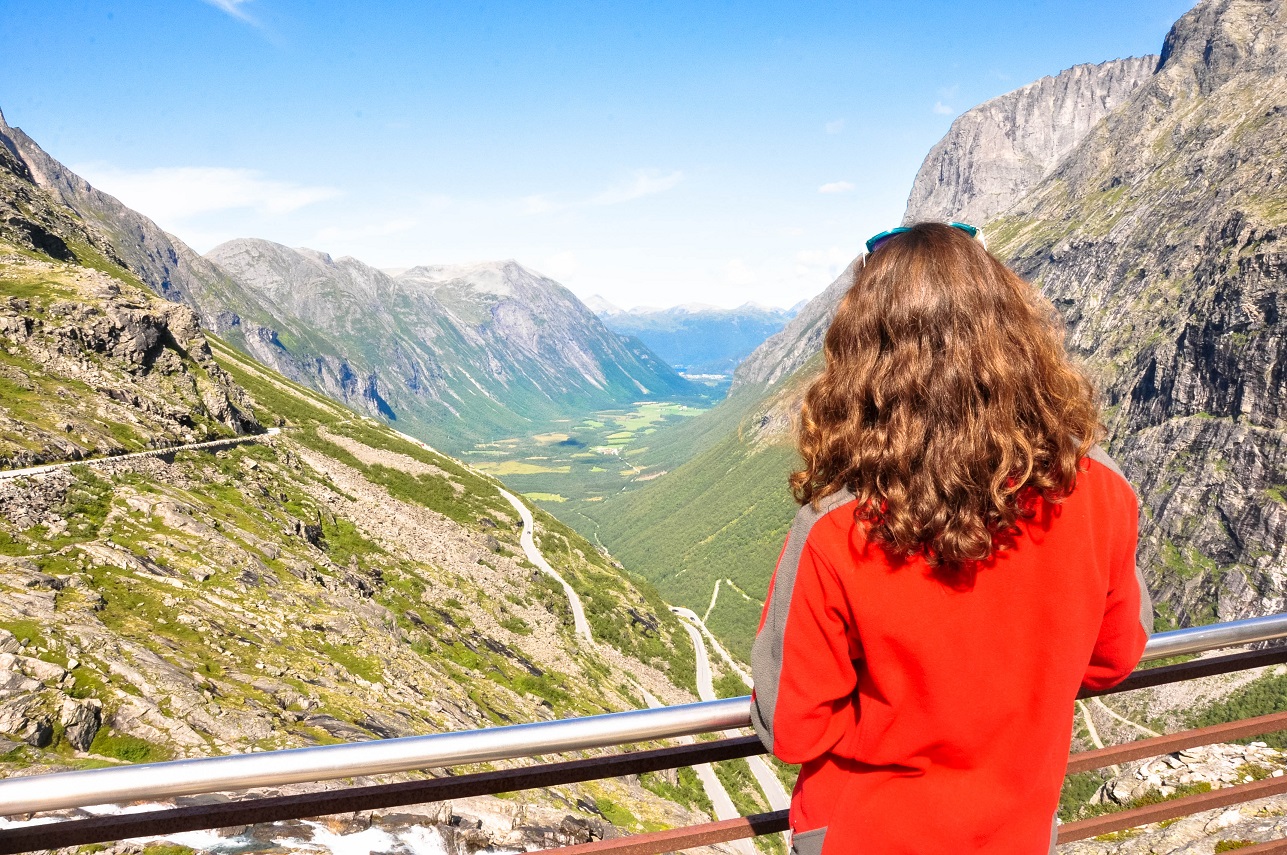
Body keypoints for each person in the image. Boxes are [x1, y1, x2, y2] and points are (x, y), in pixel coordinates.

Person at [750, 222, 1151, 855]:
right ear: (1013, 332)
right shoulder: (1101, 490)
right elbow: (1113, 658)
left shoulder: (834, 528)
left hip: (862, 834)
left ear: (862, 356)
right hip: (1017, 831)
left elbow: (794, 727)